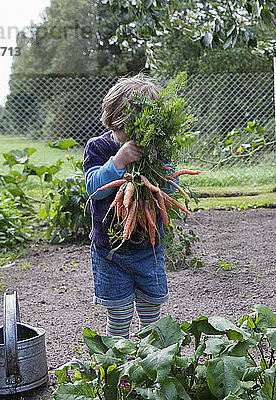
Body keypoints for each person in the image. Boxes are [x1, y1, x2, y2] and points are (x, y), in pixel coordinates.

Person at [83, 74, 168, 339]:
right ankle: (117, 369)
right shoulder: (98, 148)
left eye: (138, 135)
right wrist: (117, 161)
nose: (132, 142)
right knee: (118, 318)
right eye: (125, 133)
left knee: (151, 316)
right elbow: (94, 189)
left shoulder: (156, 148)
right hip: (109, 253)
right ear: (112, 121)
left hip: (148, 249)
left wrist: (158, 167)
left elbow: (166, 188)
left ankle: (150, 364)